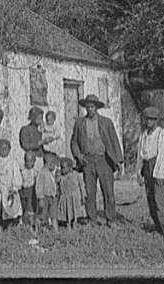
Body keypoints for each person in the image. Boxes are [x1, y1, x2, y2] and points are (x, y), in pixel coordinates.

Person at [70, 94, 124, 228]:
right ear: (85, 108)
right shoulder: (80, 123)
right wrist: (79, 155)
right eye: (87, 107)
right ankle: (92, 219)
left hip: (104, 160)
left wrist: (119, 161)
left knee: (108, 192)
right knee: (90, 192)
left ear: (97, 108)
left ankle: (111, 219)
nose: (90, 109)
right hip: (87, 161)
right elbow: (74, 142)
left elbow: (114, 141)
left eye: (92, 107)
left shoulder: (106, 122)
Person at [136, 106, 164, 240]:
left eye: (152, 120)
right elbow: (140, 155)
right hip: (147, 167)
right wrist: (139, 173)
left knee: (159, 199)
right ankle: (157, 225)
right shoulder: (143, 135)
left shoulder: (163, 135)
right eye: (147, 120)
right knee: (150, 197)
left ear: (157, 121)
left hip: (157, 166)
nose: (148, 122)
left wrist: (160, 173)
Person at [0, 139, 23, 229]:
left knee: (11, 211)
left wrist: (14, 188)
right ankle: (0, 230)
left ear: (9, 149)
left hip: (9, 190)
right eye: (1, 148)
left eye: (5, 148)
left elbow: (17, 176)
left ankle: (11, 229)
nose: (3, 150)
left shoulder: (13, 162)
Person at [20, 106, 56, 171]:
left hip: (42, 157)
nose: (40, 120)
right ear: (32, 118)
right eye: (38, 118)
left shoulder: (41, 129)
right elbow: (25, 145)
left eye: (41, 118)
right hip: (31, 159)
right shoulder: (25, 129)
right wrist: (40, 142)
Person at [57, 157, 87, 229]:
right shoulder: (61, 177)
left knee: (74, 211)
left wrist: (83, 196)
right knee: (67, 211)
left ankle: (75, 222)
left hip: (75, 197)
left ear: (70, 168)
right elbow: (57, 182)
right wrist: (57, 175)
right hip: (65, 197)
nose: (62, 169)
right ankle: (68, 223)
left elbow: (81, 186)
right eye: (61, 167)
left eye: (63, 167)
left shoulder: (76, 175)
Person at [35, 152, 59, 233]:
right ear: (49, 163)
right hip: (44, 197)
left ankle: (56, 231)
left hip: (51, 197)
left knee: (53, 215)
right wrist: (40, 198)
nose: (55, 166)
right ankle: (37, 230)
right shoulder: (42, 173)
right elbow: (39, 187)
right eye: (54, 164)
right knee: (42, 215)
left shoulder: (50, 173)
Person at [20, 151, 39, 228]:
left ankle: (31, 225)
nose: (28, 163)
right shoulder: (22, 170)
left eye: (31, 161)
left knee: (30, 207)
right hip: (23, 190)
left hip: (32, 191)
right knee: (23, 207)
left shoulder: (35, 171)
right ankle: (24, 223)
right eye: (27, 161)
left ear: (34, 161)